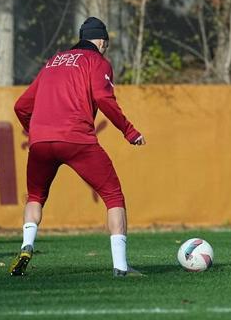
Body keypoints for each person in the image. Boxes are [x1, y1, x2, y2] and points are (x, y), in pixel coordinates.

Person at [10, 17, 146, 277]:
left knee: (36, 196)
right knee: (113, 196)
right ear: (103, 41)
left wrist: (35, 130)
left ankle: (27, 245)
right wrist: (130, 131)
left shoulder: (53, 61)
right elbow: (103, 98)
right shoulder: (98, 61)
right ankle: (120, 266)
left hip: (40, 141)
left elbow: (21, 106)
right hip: (76, 140)